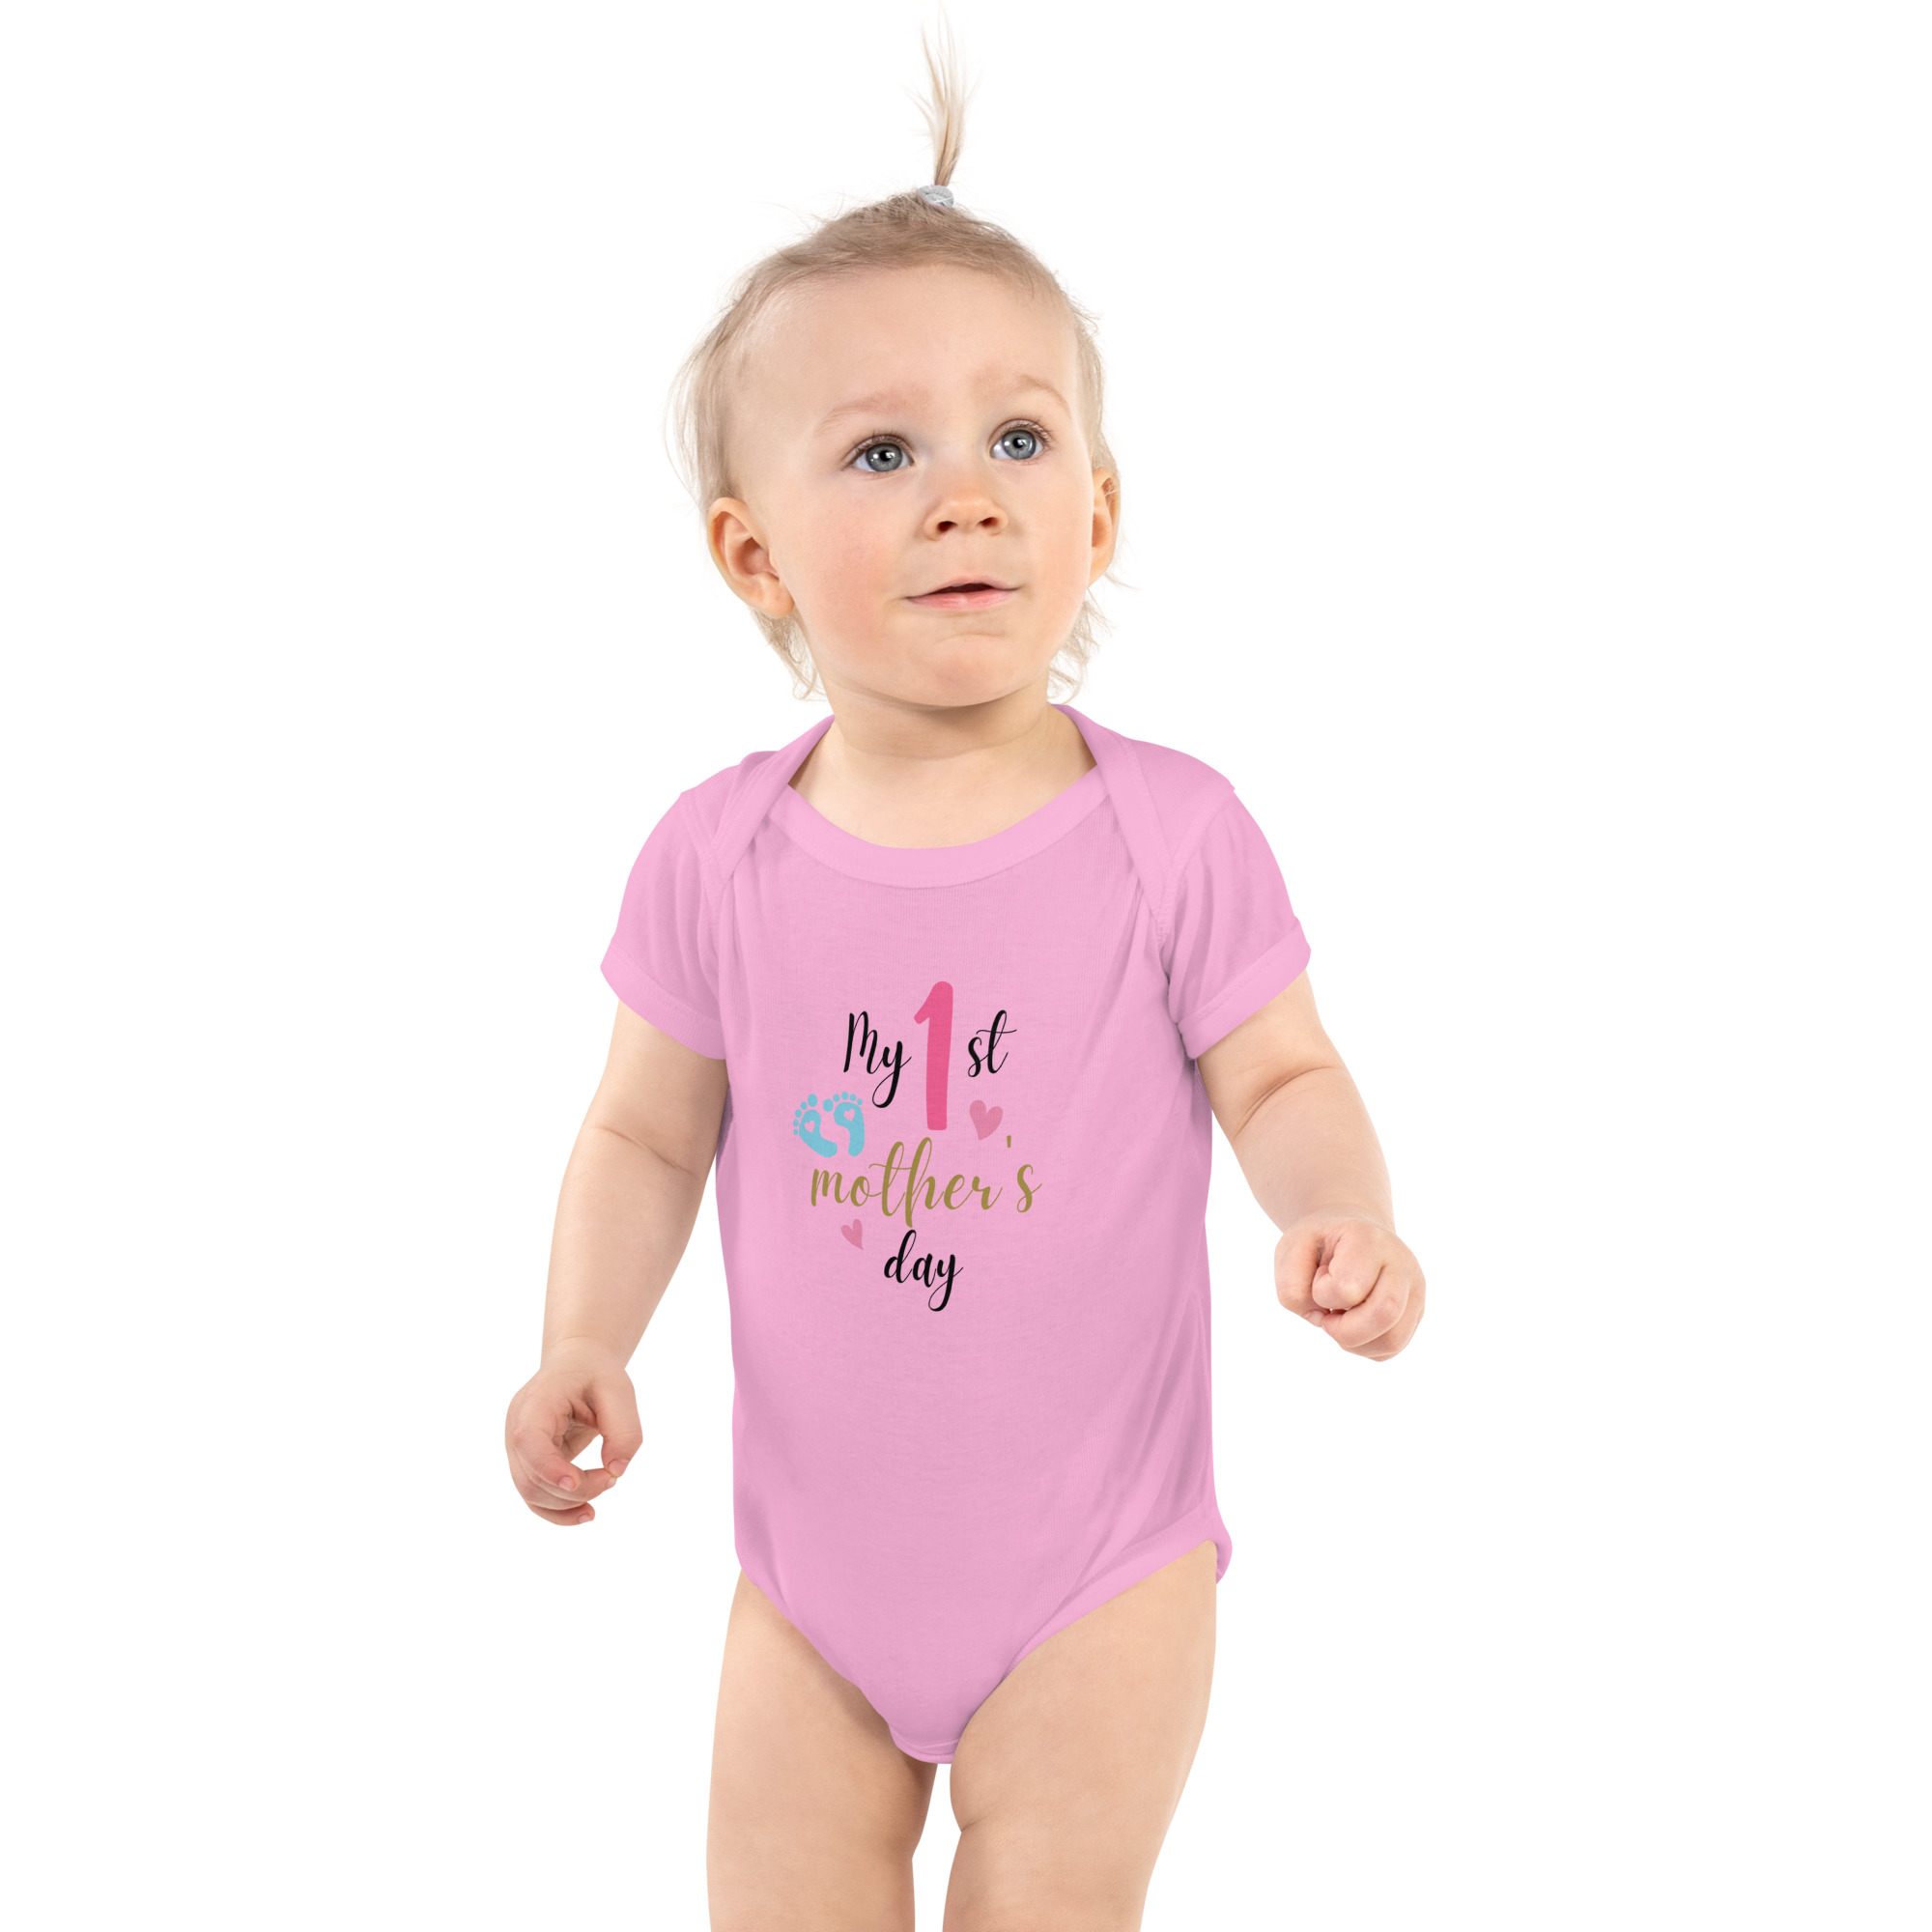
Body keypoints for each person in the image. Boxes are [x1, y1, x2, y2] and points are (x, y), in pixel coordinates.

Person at [503, 37, 1425, 1930]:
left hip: (1099, 1574)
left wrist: (1337, 1209)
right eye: (881, 452)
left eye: (1018, 438)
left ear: (1098, 512)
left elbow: (1280, 1075)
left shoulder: (1169, 834)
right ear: (752, 555)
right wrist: (585, 1334)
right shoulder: (716, 857)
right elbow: (640, 1134)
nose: (967, 497)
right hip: (808, 1592)